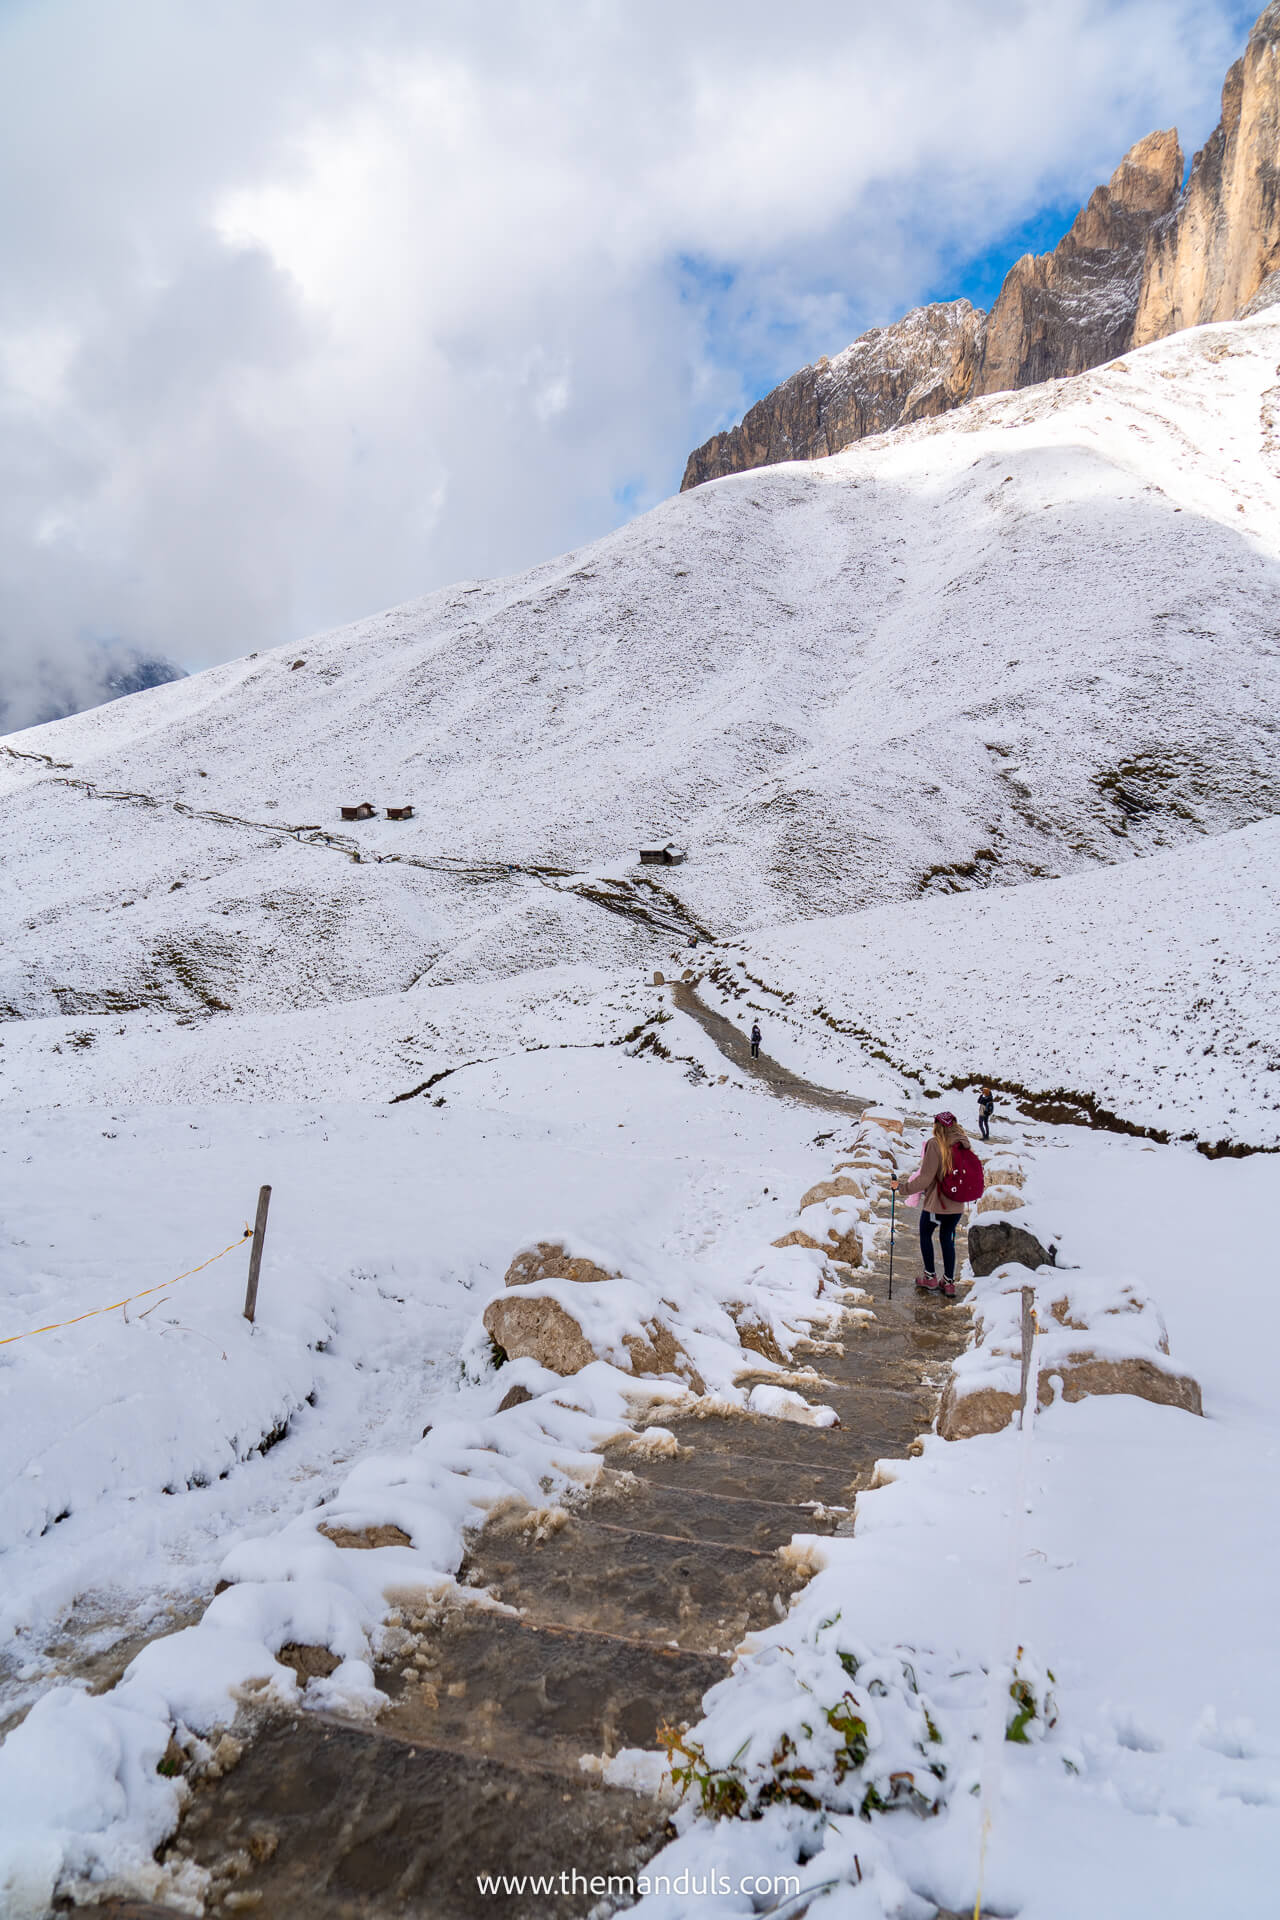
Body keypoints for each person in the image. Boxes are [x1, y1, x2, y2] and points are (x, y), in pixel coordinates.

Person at [891, 1110, 973, 1297]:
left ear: (937, 1125)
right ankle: (949, 1283)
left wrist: (901, 1188)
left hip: (937, 1204)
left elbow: (925, 1179)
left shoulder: (935, 1144)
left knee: (926, 1234)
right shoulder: (964, 1145)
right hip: (957, 1205)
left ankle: (930, 1277)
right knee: (947, 1239)